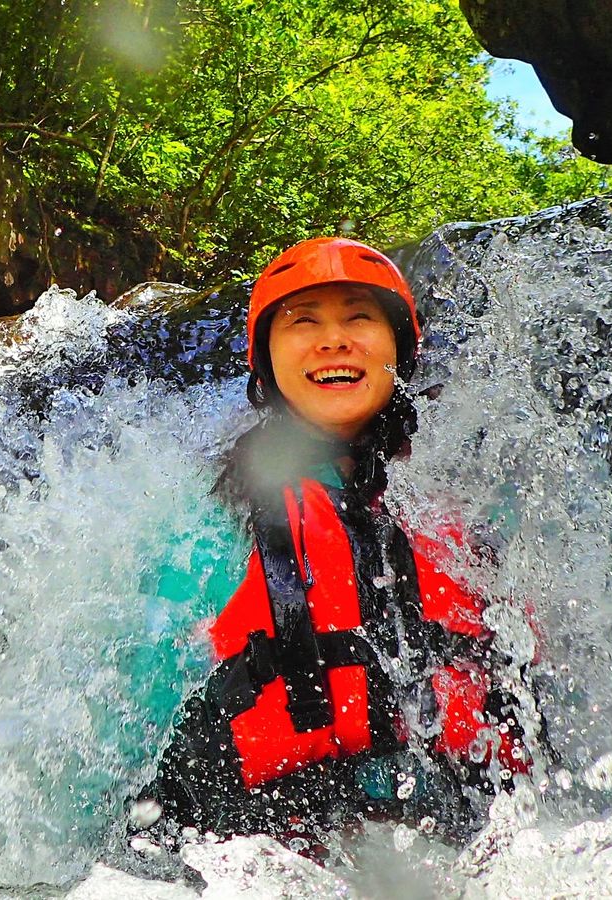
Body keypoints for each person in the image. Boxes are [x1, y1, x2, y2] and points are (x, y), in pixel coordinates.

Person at [131, 236, 534, 853]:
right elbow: (142, 709)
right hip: (255, 846)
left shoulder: (468, 499)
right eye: (304, 321)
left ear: (401, 346)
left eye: (359, 317)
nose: (334, 340)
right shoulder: (209, 514)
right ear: (264, 358)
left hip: (462, 832)